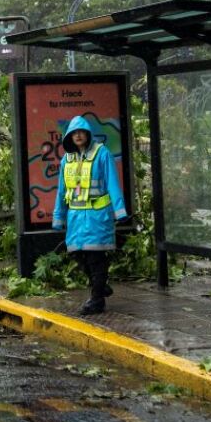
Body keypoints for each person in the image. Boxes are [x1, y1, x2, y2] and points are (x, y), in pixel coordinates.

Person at [52, 115, 127, 315]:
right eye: (74, 133)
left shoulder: (102, 154)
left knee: (95, 257)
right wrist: (58, 217)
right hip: (75, 218)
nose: (78, 135)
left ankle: (96, 300)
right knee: (76, 253)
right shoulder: (66, 160)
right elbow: (61, 191)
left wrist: (120, 211)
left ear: (88, 134)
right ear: (69, 136)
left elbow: (112, 183)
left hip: (97, 216)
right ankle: (100, 284)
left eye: (81, 132)